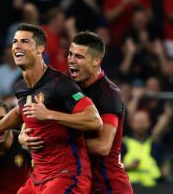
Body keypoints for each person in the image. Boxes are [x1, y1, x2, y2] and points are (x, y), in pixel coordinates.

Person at [0, 23, 103, 193]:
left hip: (68, 175)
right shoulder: (21, 87)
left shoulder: (61, 84)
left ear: (40, 48)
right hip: (38, 177)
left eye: (24, 41)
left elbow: (94, 120)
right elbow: (19, 111)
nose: (17, 46)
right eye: (14, 41)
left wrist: (50, 115)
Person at [20, 31, 133, 193]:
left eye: (79, 57)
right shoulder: (64, 85)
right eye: (70, 54)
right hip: (74, 179)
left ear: (96, 61)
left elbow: (103, 146)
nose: (71, 61)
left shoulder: (109, 94)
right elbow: (34, 115)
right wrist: (22, 137)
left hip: (107, 184)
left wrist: (55, 145)